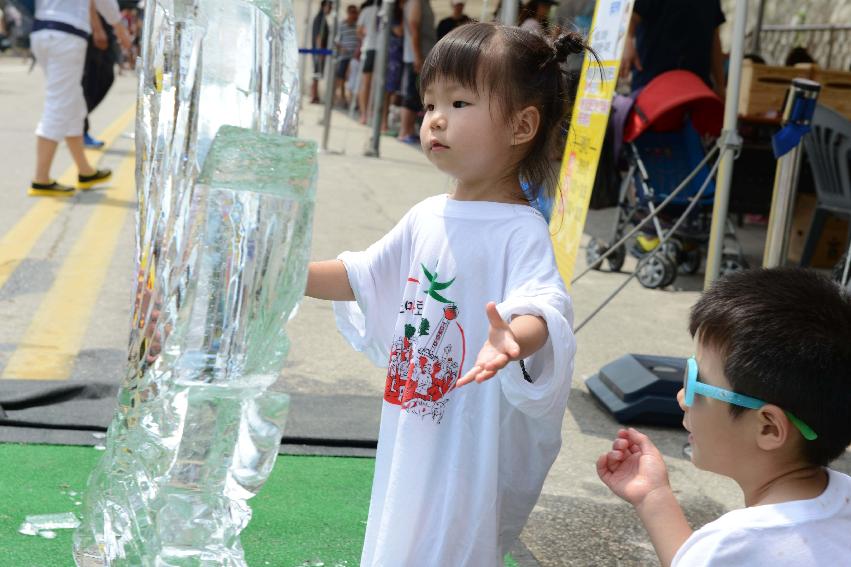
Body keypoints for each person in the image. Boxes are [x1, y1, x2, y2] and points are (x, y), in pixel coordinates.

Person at [305, 22, 592, 565]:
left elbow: (544, 304)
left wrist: (515, 339)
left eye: (459, 102)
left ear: (522, 125)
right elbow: (362, 276)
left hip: (470, 438)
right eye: (430, 101)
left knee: (449, 541)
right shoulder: (425, 215)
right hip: (417, 419)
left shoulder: (519, 229)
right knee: (401, 523)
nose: (435, 118)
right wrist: (283, 271)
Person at [598, 268, 851, 567]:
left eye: (695, 384)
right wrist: (653, 496)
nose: (681, 397)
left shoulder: (734, 545)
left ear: (768, 428)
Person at [29, 0, 131, 197]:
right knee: (59, 104)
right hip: (66, 34)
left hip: (42, 30)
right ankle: (41, 179)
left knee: (73, 103)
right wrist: (119, 27)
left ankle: (85, 171)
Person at [619, 0, 726, 97]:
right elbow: (632, 16)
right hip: (653, 86)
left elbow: (714, 39)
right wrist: (627, 40)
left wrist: (720, 85)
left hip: (696, 90)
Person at [396, 0, 435, 144]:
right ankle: (405, 131)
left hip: (420, 55)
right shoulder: (416, 2)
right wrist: (418, 56)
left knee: (415, 93)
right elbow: (414, 28)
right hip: (418, 57)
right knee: (412, 93)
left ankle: (408, 130)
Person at [82, 3, 118, 149]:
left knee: (105, 77)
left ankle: (74, 123)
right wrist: (97, 28)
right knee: (91, 79)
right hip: (92, 27)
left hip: (102, 25)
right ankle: (77, 126)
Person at [356, 0, 380, 124]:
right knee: (375, 84)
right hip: (380, 49)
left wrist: (365, 35)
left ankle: (364, 113)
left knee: (366, 83)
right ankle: (368, 112)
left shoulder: (366, 10)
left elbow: (359, 31)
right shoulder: (386, 10)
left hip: (370, 47)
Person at [334, 4, 360, 107]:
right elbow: (336, 41)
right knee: (341, 77)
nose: (354, 15)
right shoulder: (342, 25)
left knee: (353, 78)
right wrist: (342, 49)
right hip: (344, 56)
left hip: (355, 57)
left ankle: (352, 100)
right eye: (352, 12)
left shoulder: (358, 25)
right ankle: (343, 98)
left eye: (355, 12)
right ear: (348, 13)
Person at [310, 0, 332, 104]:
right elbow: (319, 37)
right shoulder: (320, 19)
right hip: (319, 51)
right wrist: (320, 52)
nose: (331, 9)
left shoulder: (321, 18)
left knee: (316, 74)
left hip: (319, 50)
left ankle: (314, 95)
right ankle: (313, 95)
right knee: (316, 73)